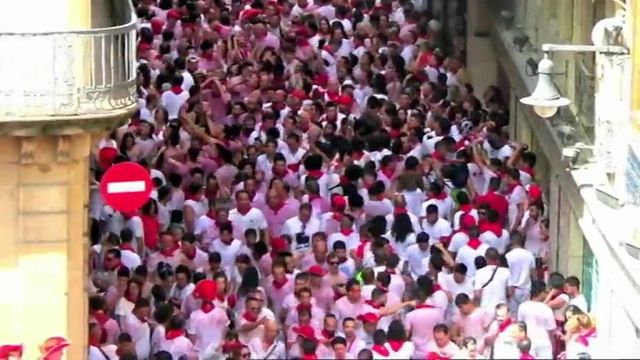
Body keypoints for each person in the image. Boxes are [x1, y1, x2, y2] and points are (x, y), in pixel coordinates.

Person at [517, 280, 556, 359]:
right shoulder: (546, 309)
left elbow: (520, 327)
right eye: (545, 291)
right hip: (544, 343)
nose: (546, 294)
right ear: (540, 292)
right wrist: (553, 345)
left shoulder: (523, 306)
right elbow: (551, 331)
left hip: (528, 344)